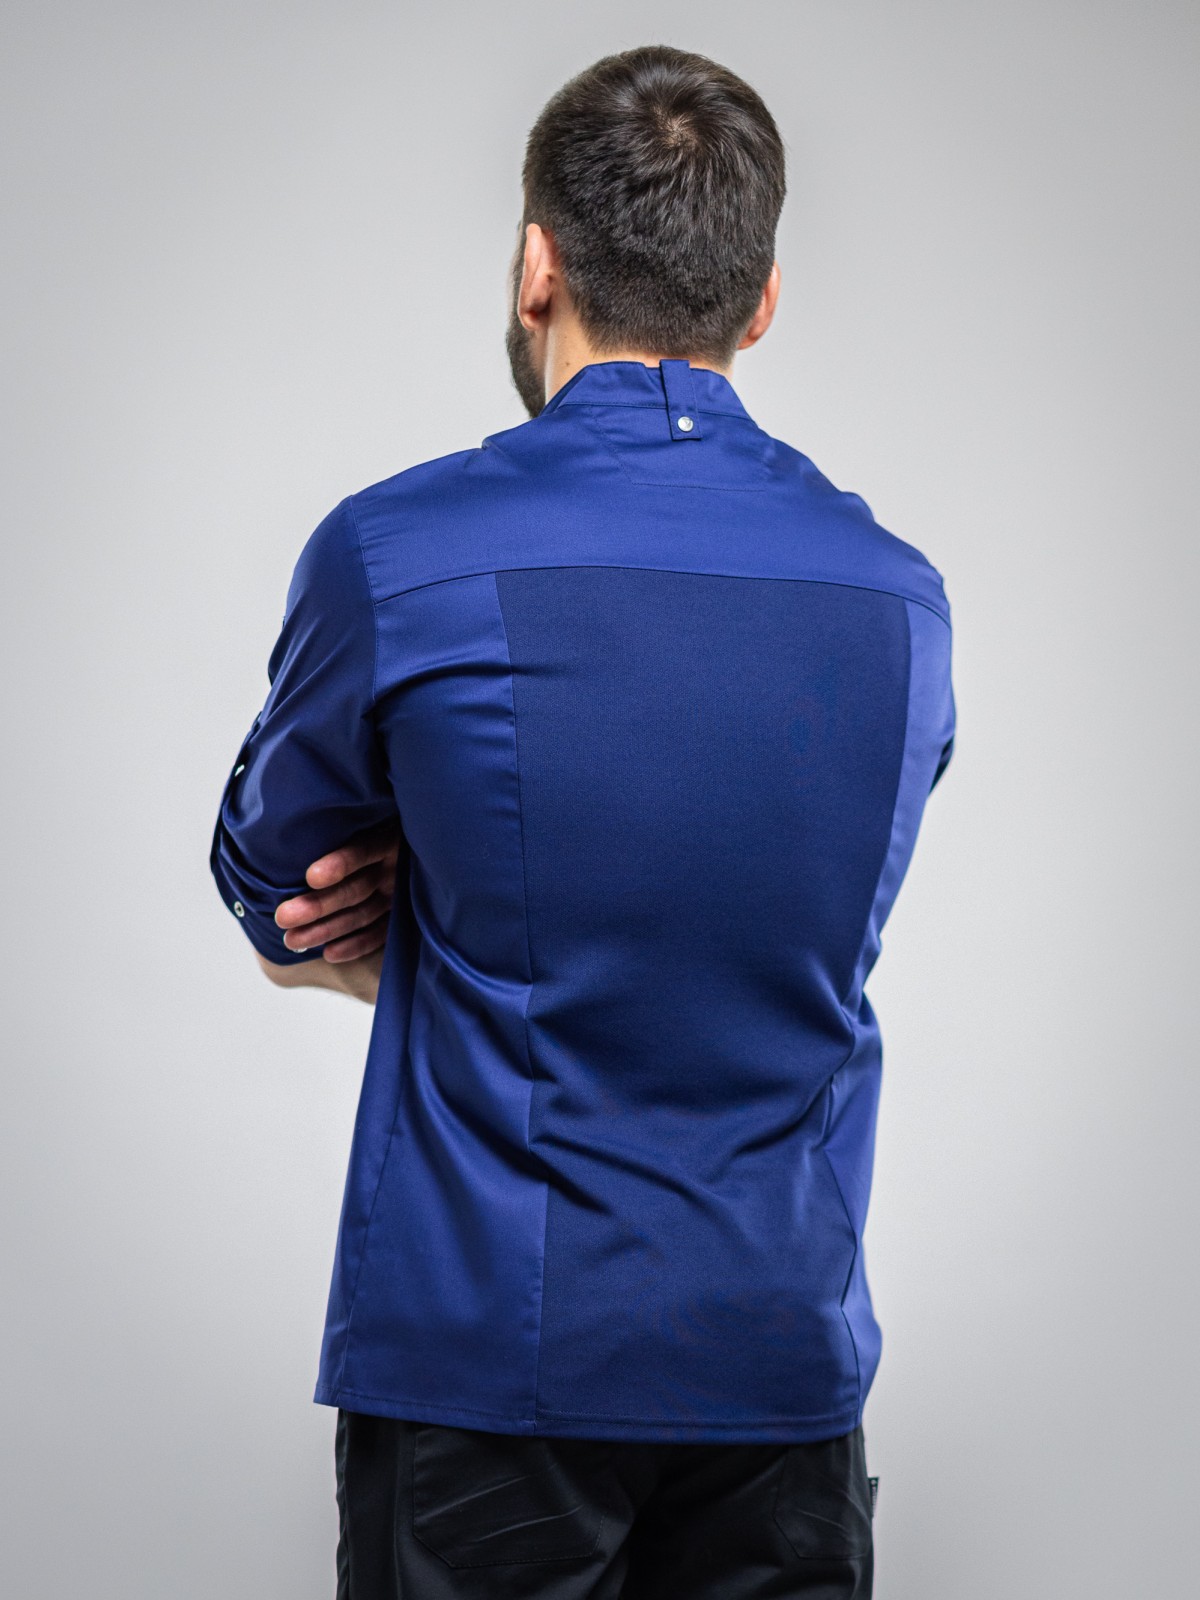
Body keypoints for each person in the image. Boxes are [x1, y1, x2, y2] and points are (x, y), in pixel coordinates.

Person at [209, 43, 955, 1600]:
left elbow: (273, 889)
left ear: (537, 265)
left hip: (490, 1362)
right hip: (780, 1365)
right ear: (760, 300)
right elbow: (771, 918)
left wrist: (426, 916)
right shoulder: (902, 601)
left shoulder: (396, 553)